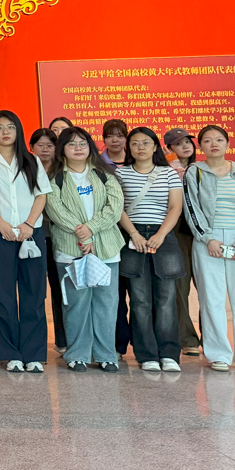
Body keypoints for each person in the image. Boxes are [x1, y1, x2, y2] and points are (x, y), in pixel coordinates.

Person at [0, 110, 51, 373]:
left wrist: (29, 224)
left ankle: (33, 353)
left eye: (11, 127)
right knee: (2, 295)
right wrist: (1, 223)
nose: (5, 132)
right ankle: (11, 353)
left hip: (31, 233)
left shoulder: (32, 160)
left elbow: (41, 195)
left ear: (18, 131)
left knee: (34, 294)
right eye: (0, 127)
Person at [182, 125, 235, 373]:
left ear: (228, 144)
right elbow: (191, 208)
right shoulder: (194, 172)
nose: (214, 144)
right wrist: (208, 238)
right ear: (200, 146)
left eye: (219, 140)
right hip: (208, 242)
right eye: (207, 140)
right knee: (211, 300)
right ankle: (218, 355)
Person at [43, 126, 125, 371]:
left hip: (106, 249)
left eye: (82, 143)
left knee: (106, 304)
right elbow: (55, 210)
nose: (78, 148)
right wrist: (82, 234)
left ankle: (106, 354)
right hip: (71, 250)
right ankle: (77, 354)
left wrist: (91, 229)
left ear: (90, 147)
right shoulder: (55, 178)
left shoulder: (104, 174)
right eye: (71, 144)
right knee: (76, 304)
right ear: (62, 149)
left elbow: (115, 207)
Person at [116, 127, 185, 372]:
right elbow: (117, 207)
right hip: (132, 236)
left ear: (155, 146)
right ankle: (146, 355)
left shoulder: (168, 173)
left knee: (166, 300)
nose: (140, 147)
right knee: (140, 300)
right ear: (129, 148)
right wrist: (134, 234)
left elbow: (175, 207)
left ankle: (169, 354)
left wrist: (160, 235)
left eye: (146, 143)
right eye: (135, 143)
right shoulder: (120, 173)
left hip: (162, 236)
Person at [164, 127, 202, 356]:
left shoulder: (202, 169)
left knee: (207, 288)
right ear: (168, 149)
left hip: (203, 233)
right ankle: (187, 338)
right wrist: (173, 166)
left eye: (188, 141)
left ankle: (212, 338)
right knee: (180, 287)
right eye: (178, 143)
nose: (185, 146)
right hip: (178, 231)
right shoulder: (165, 171)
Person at [30, 127, 67, 354]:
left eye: (50, 145)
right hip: (33, 235)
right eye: (40, 145)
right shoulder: (26, 170)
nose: (45, 149)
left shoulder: (63, 171)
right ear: (31, 147)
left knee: (60, 288)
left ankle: (63, 339)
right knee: (35, 290)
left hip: (60, 236)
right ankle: (36, 343)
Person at [101, 118, 132, 357]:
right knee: (115, 292)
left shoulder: (137, 161)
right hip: (107, 231)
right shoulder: (96, 164)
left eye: (120, 135)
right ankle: (116, 344)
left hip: (137, 233)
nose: (115, 140)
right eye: (110, 135)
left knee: (139, 294)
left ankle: (142, 346)